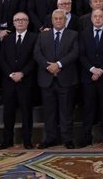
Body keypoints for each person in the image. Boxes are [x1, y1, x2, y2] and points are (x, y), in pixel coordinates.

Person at [34, 9, 79, 149]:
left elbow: (75, 52)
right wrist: (49, 67)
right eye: (56, 19)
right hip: (47, 79)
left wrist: (59, 64)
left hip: (65, 78)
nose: (58, 21)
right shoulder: (43, 35)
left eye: (61, 18)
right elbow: (37, 53)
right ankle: (50, 138)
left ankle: (67, 139)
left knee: (66, 111)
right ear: (52, 20)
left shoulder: (73, 34)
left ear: (65, 20)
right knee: (49, 112)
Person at [0, 11, 37, 150]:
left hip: (26, 81)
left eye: (23, 19)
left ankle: (27, 140)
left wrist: (22, 73)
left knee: (26, 112)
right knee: (8, 113)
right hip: (9, 82)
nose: (20, 22)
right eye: (17, 20)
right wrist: (10, 74)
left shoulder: (34, 38)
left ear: (27, 22)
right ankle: (7, 140)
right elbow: (2, 58)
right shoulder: (7, 39)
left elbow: (34, 59)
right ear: (13, 23)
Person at [78, 9, 103, 147]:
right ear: (91, 18)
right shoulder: (84, 34)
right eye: (95, 16)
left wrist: (101, 70)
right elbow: (82, 55)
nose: (98, 19)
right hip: (88, 77)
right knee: (88, 109)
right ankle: (86, 138)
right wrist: (92, 70)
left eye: (100, 16)